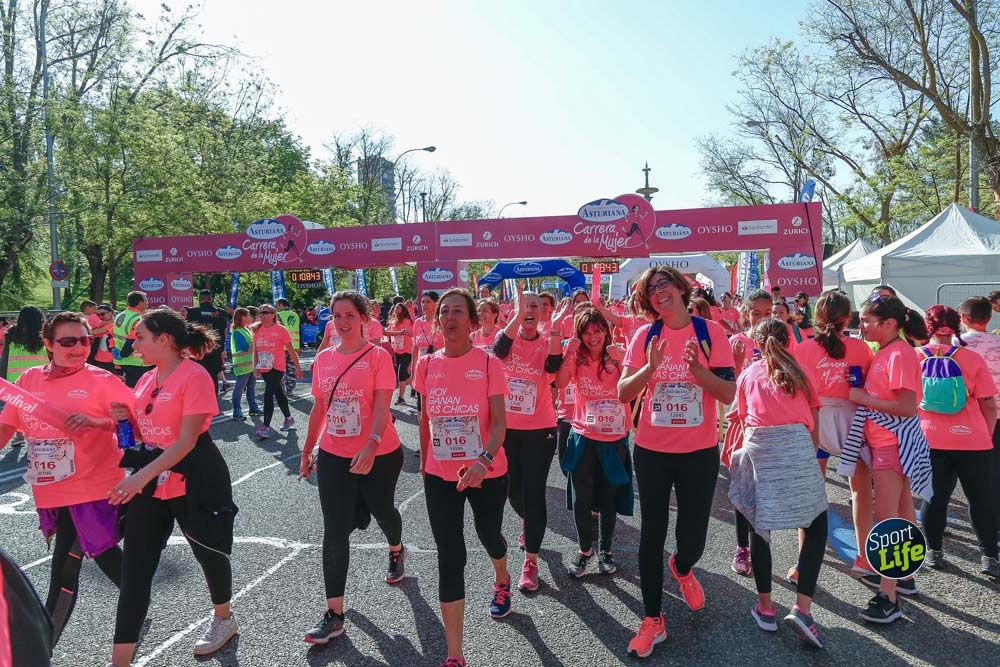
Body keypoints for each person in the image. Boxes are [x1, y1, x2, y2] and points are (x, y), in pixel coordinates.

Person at [106, 308, 238, 665]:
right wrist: (124, 417)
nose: (134, 343)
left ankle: (223, 618)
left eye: (140, 336)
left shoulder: (194, 376)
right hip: (152, 481)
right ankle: (119, 660)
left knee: (208, 552)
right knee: (134, 571)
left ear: (163, 339)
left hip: (195, 477)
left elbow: (185, 442)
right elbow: (143, 429)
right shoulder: (147, 379)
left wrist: (138, 477)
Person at [618, 266, 735, 659]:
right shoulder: (644, 336)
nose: (658, 292)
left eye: (663, 283)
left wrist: (700, 373)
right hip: (651, 450)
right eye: (651, 289)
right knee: (650, 533)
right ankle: (652, 620)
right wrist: (650, 368)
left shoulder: (710, 333)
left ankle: (683, 567)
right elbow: (622, 393)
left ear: (681, 288)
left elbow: (729, 394)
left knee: (693, 539)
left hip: (699, 452)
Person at [0, 311, 134, 646]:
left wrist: (96, 421)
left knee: (63, 571)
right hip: (50, 490)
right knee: (103, 554)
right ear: (48, 345)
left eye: (85, 340)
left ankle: (41, 649)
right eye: (68, 341)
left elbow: (132, 426)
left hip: (92, 488)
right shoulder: (30, 379)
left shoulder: (102, 380)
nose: (78, 348)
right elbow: (6, 425)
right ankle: (138, 603)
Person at [300, 292, 406, 644]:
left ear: (363, 318)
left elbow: (381, 406)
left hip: (380, 452)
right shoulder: (324, 359)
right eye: (336, 316)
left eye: (349, 315)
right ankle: (334, 613)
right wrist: (307, 448)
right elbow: (319, 407)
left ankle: (395, 548)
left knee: (383, 511)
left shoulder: (378, 356)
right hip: (334, 452)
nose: (342, 322)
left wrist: (372, 443)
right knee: (334, 530)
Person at [415, 289, 510, 667]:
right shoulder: (425, 365)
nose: (450, 317)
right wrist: (425, 467)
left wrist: (482, 462)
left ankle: (501, 577)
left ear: (472, 322)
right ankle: (455, 654)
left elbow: (501, 424)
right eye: (444, 312)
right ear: (438, 320)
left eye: (458, 312)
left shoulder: (489, 365)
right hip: (441, 476)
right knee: (450, 556)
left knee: (489, 536)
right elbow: (424, 421)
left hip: (486, 471)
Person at [730, 318, 827, 648]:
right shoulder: (802, 371)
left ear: (756, 344)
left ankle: (766, 607)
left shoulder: (748, 374)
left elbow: (742, 420)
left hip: (761, 446)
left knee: (761, 526)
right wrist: (807, 457)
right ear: (790, 341)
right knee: (815, 524)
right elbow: (814, 422)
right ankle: (803, 608)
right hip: (798, 444)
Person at [789, 291, 875, 583]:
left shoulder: (803, 350)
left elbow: (796, 391)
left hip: (815, 420)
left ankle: (804, 563)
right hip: (853, 420)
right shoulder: (862, 349)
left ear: (817, 318)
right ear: (846, 318)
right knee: (860, 490)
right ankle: (864, 557)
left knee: (813, 492)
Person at [851, 295, 927, 623]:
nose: (861, 325)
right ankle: (902, 578)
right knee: (903, 513)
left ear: (889, 324)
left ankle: (888, 597)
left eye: (867, 320)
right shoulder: (888, 351)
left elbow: (907, 407)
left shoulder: (899, 353)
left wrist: (862, 398)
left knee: (887, 521)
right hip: (888, 444)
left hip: (892, 446)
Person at [917, 305, 999, 576]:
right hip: (972, 438)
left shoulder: (914, 357)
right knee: (981, 499)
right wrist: (985, 435)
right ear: (956, 325)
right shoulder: (972, 358)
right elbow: (988, 403)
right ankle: (989, 557)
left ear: (928, 327)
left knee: (934, 497)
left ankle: (934, 552)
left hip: (929, 437)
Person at [493, 283, 563, 592]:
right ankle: (528, 520)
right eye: (525, 306)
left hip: (541, 429)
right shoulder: (505, 340)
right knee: (514, 493)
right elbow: (497, 353)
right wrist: (517, 315)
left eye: (536, 307)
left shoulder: (550, 341)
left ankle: (531, 560)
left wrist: (557, 331)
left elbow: (553, 367)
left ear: (544, 313)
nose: (530, 311)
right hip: (507, 429)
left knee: (533, 493)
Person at [555, 306, 632, 577]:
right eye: (587, 332)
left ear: (606, 331)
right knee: (581, 498)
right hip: (583, 434)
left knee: (608, 497)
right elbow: (561, 383)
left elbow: (636, 386)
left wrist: (625, 360)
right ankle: (585, 550)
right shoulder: (577, 358)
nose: (593, 337)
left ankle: (606, 550)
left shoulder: (618, 354)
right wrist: (567, 355)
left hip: (613, 438)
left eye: (598, 330)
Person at [726, 288, 775, 576]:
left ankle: (761, 546)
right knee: (743, 488)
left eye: (767, 313)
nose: (761, 319)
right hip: (742, 427)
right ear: (746, 313)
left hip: (771, 429)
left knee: (765, 491)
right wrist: (735, 363)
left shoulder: (779, 342)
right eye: (756, 313)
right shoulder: (736, 341)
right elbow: (726, 391)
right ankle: (742, 547)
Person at [253, 304, 303, 439]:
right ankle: (288, 418)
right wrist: (255, 366)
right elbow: (256, 350)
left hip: (277, 367)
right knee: (278, 393)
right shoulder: (257, 329)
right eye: (260, 313)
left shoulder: (281, 330)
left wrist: (298, 367)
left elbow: (291, 351)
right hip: (264, 367)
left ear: (272, 315)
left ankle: (265, 427)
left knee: (268, 394)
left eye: (264, 312)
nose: (261, 315)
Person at [187, 290, 229, 394]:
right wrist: (223, 348)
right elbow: (224, 331)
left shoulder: (193, 312)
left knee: (198, 377)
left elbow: (189, 331)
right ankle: (213, 401)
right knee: (213, 376)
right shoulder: (221, 312)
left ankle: (201, 402)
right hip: (215, 349)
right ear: (211, 299)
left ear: (200, 299)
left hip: (198, 350)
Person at [412, 291, 444, 410]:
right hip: (422, 369)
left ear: (436, 303)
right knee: (421, 405)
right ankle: (422, 428)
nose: (424, 304)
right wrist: (413, 368)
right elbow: (415, 346)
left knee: (438, 403)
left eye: (428, 302)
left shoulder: (442, 321)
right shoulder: (417, 322)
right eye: (422, 302)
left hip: (440, 369)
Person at [113, 291, 151, 388]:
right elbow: (132, 340)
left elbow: (114, 335)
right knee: (136, 392)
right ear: (139, 303)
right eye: (146, 300)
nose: (148, 302)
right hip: (135, 362)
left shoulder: (120, 315)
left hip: (119, 360)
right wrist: (123, 354)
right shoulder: (138, 319)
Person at [2, 305, 49, 384]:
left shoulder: (11, 335)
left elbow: (4, 361)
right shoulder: (46, 334)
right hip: (40, 380)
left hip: (15, 381)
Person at [229, 308, 260, 420]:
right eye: (247, 315)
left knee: (251, 387)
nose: (250, 317)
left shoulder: (246, 329)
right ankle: (237, 411)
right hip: (243, 366)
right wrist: (255, 345)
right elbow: (245, 348)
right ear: (241, 317)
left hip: (250, 365)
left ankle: (253, 408)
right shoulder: (237, 332)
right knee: (239, 388)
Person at [385, 303, 415, 405]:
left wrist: (406, 332)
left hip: (407, 350)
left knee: (401, 374)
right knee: (405, 375)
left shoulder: (407, 321)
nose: (396, 309)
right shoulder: (393, 322)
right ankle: (414, 386)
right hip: (397, 350)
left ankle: (401, 398)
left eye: (399, 308)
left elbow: (414, 334)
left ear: (403, 310)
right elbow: (386, 333)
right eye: (395, 308)